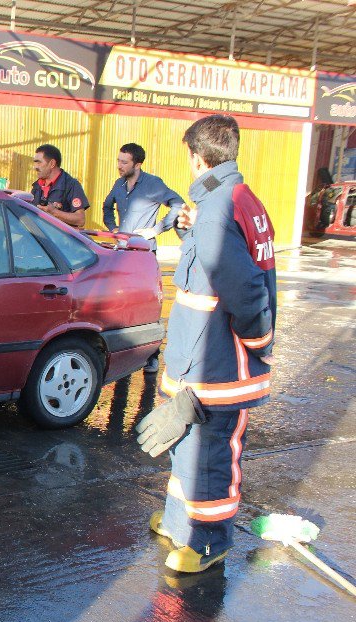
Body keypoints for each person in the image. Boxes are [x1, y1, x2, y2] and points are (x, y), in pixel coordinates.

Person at [142, 115, 276, 574]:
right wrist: (189, 228)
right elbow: (211, 265)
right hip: (200, 360)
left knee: (210, 455)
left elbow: (246, 291)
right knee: (187, 447)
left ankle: (208, 541)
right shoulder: (232, 200)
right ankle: (182, 523)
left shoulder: (219, 208)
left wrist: (259, 341)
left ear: (197, 159)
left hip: (218, 366)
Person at [102, 143, 185, 373]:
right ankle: (123, 356)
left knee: (146, 306)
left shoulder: (152, 184)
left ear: (137, 164)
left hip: (144, 255)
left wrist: (157, 229)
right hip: (121, 253)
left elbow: (178, 204)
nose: (119, 166)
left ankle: (151, 357)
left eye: (124, 162)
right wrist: (113, 229)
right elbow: (107, 207)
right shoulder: (119, 184)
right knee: (120, 304)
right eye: (118, 161)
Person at [30, 144, 89, 228]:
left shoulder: (71, 185)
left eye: (38, 162)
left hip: (61, 240)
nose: (35, 167)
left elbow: (80, 219)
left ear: (52, 164)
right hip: (38, 238)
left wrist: (54, 212)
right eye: (35, 162)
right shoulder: (37, 186)